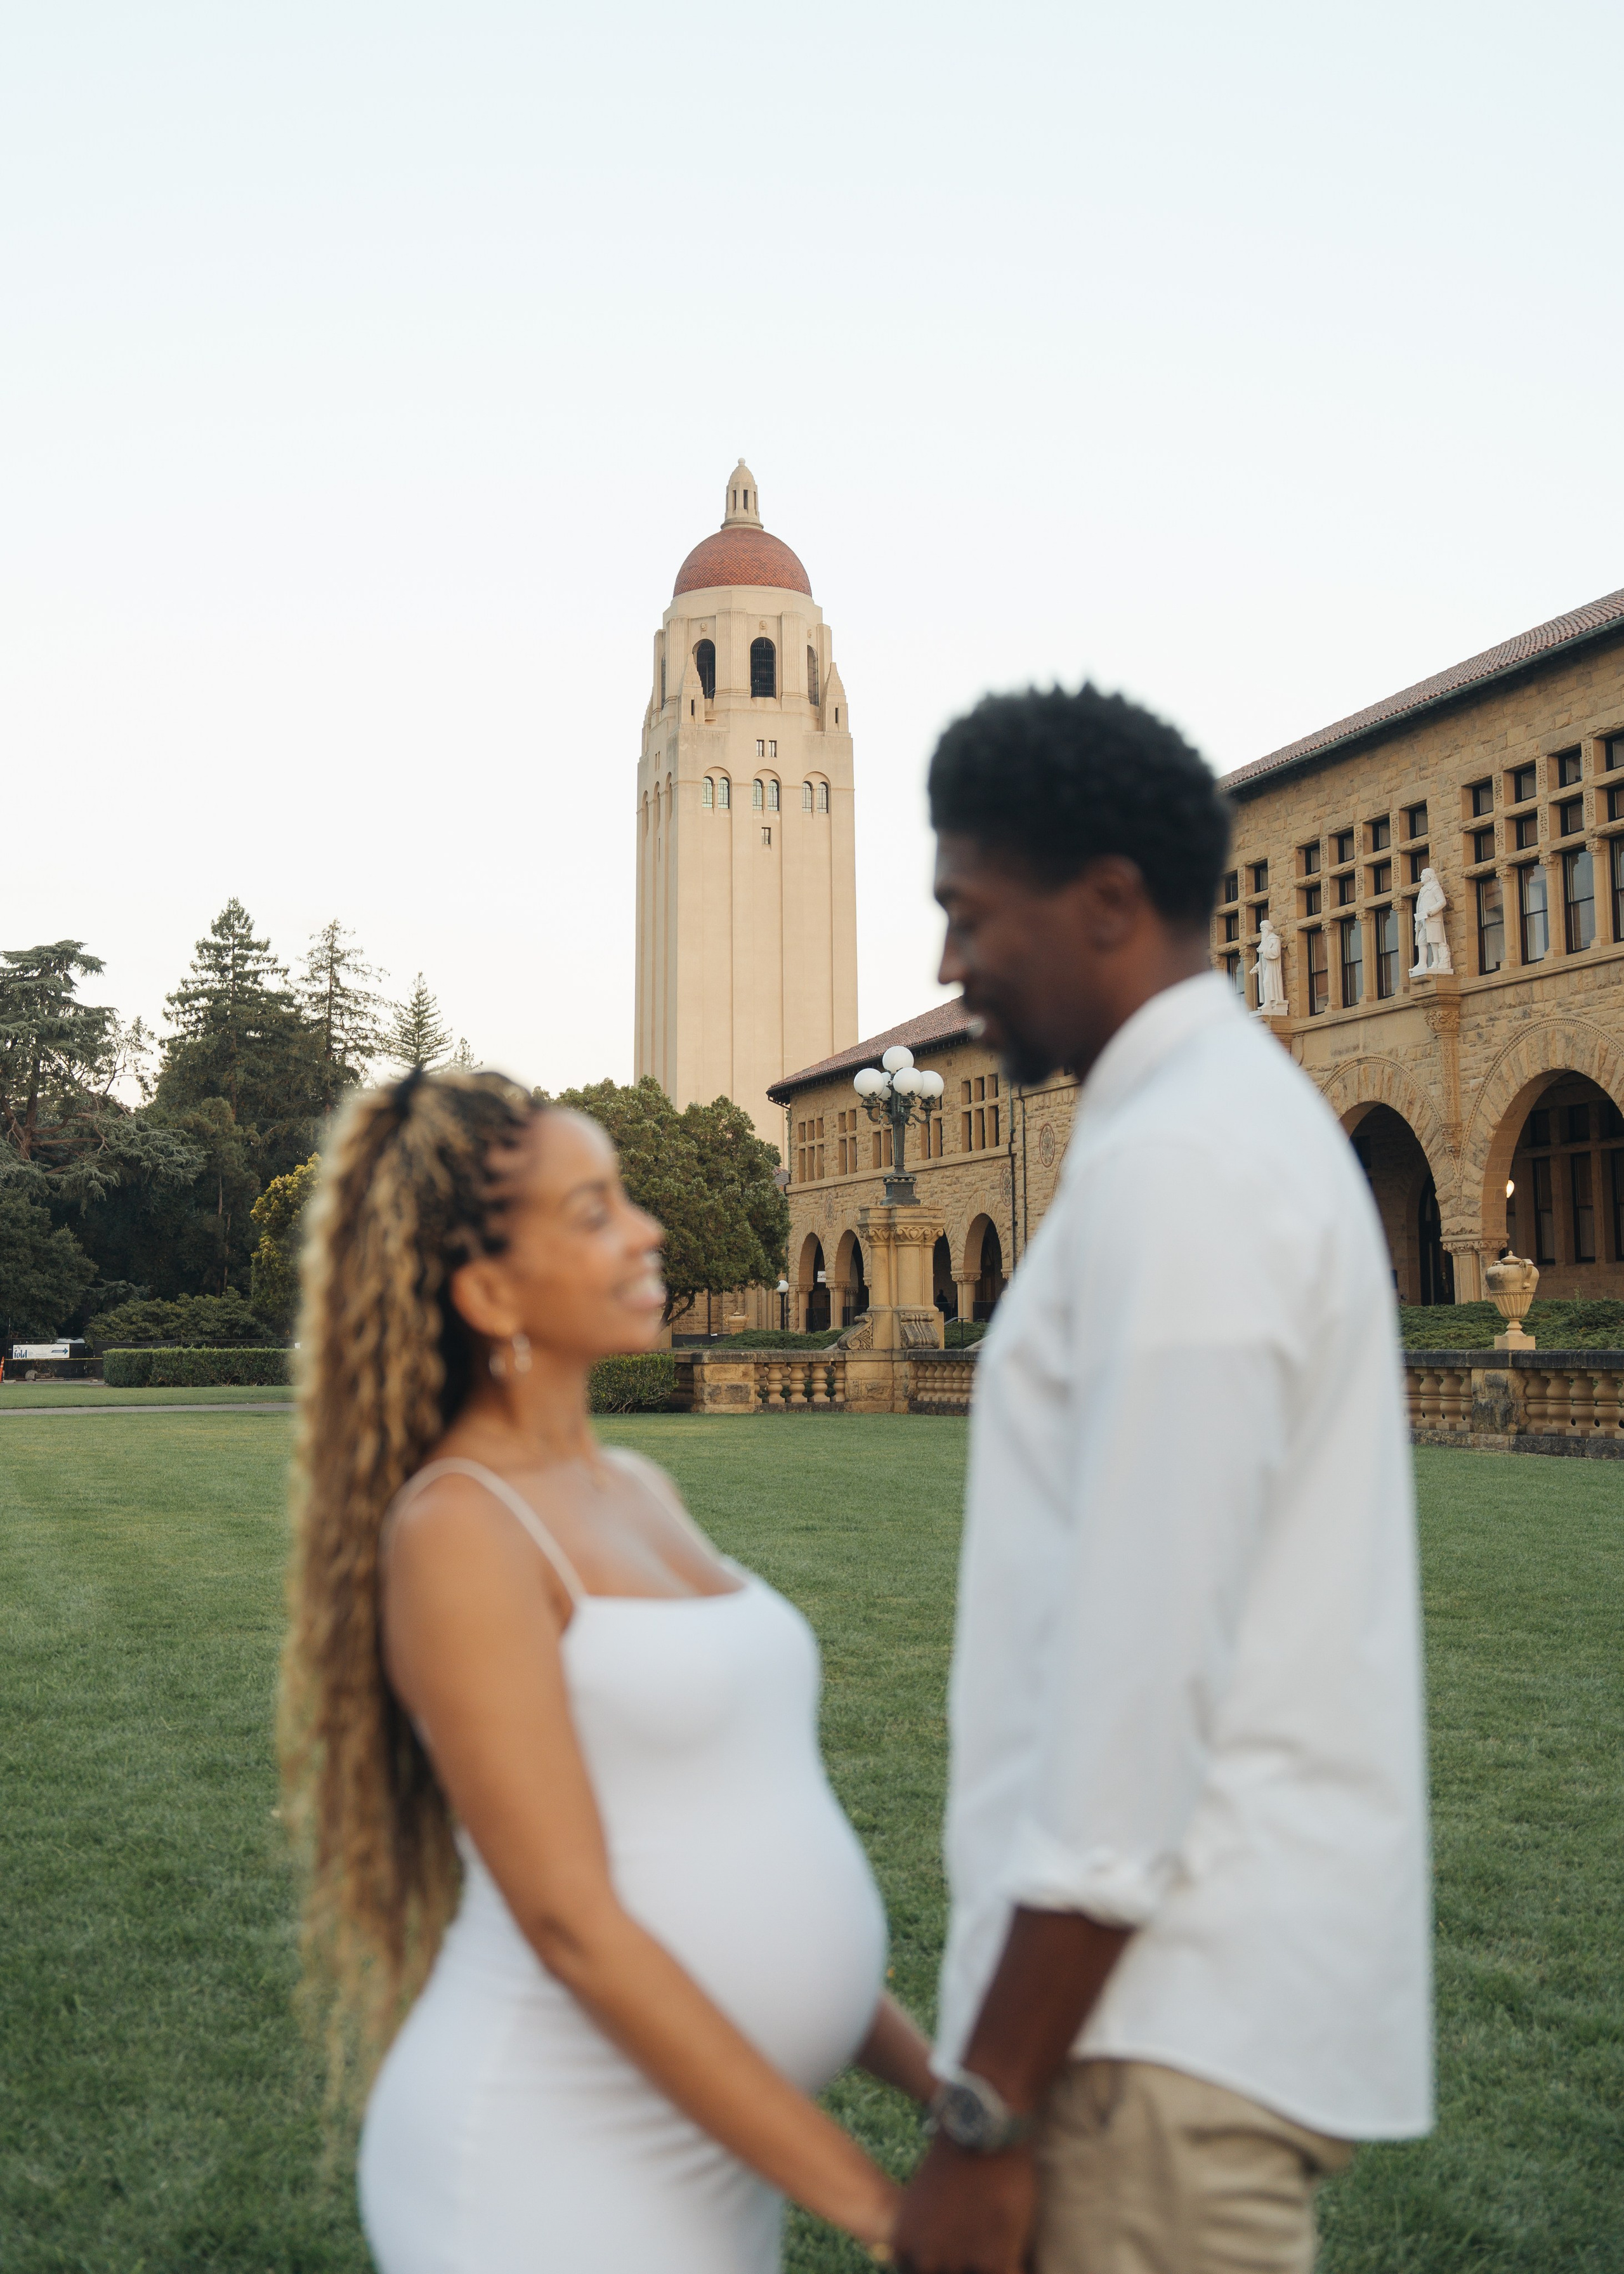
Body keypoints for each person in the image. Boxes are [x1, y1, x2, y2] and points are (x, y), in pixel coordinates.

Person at [893, 687, 1432, 2274]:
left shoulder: (1185, 1168)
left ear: (1109, 899)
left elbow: (1135, 1692)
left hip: (1145, 2053)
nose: (943, 969)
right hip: (1154, 2037)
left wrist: (983, 2108)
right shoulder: (1199, 1136)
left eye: (966, 913)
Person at [279, 1068, 934, 2274]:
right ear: (487, 1291)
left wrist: (944, 2093)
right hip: (550, 2167)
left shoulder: (639, 1487)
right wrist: (890, 2216)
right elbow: (572, 1923)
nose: (649, 1231)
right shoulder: (462, 1529)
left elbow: (736, 1833)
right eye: (594, 1213)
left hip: (711, 2157)